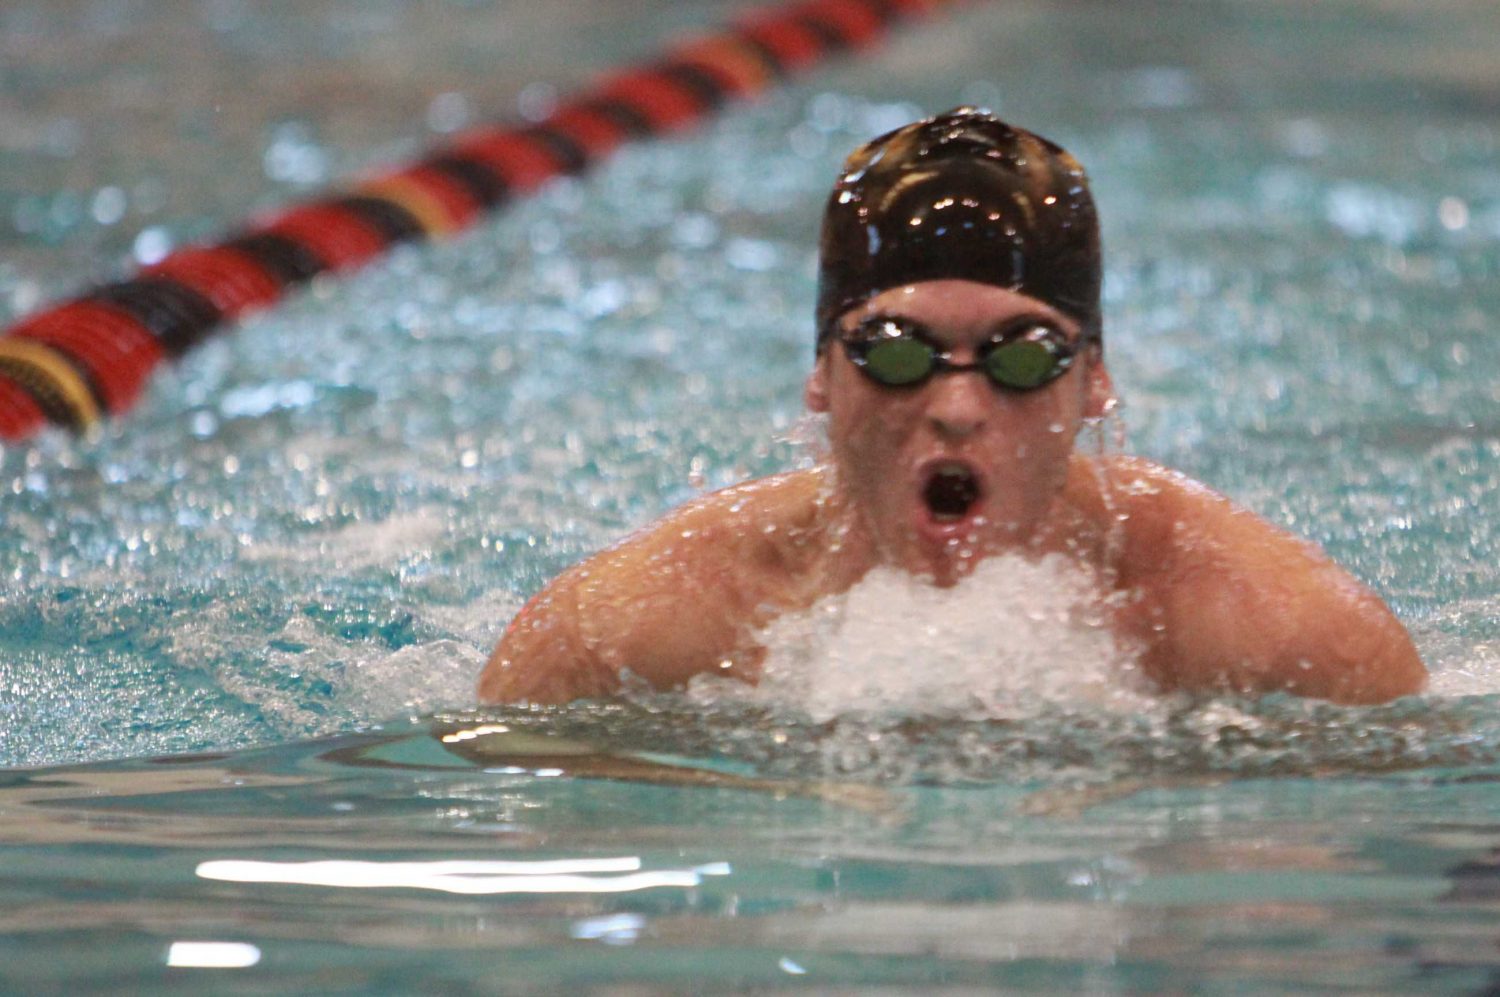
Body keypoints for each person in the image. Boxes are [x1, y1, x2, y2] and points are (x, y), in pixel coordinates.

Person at [477, 107, 1425, 707]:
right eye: (895, 353)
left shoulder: (1270, 624)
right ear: (821, 374)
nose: (958, 406)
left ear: (1093, 381)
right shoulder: (647, 622)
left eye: (1020, 357)